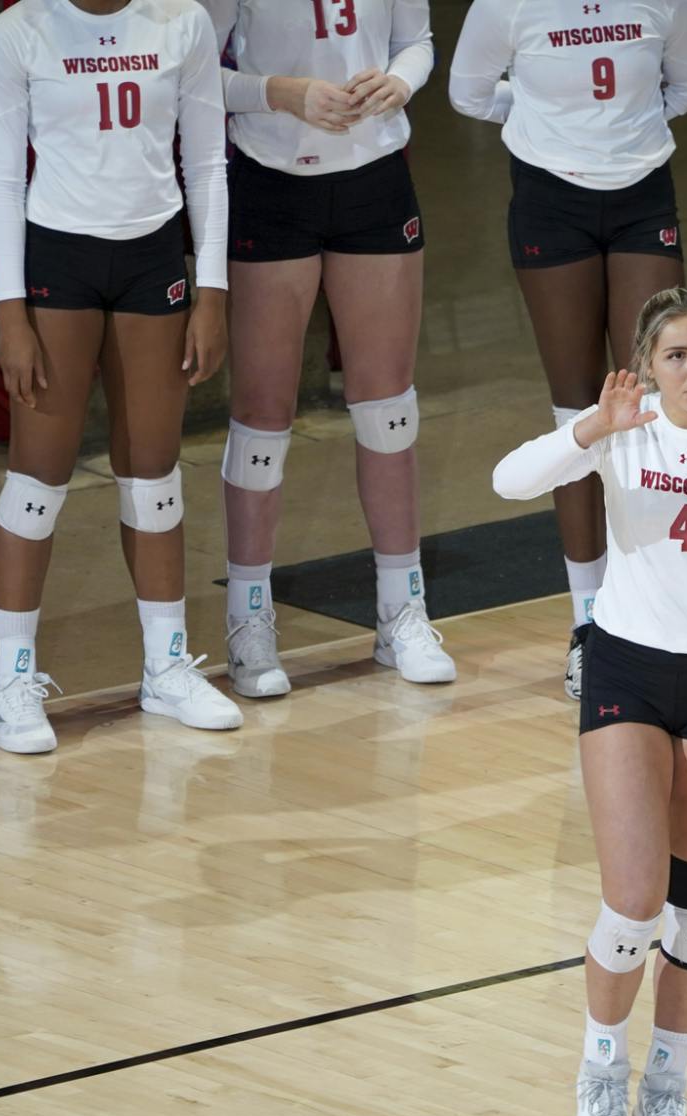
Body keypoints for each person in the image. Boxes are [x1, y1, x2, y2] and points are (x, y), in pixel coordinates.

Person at [491, 289, 687, 1116]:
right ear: (647, 364)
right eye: (676, 355)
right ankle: (599, 1071)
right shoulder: (624, 428)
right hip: (626, 668)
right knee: (633, 901)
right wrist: (592, 429)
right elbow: (509, 480)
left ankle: (667, 1084)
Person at [0, 0, 240, 754]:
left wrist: (211, 289)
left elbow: (207, 162)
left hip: (152, 256)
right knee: (38, 479)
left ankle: (165, 667)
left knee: (154, 472)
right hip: (58, 259)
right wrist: (12, 312)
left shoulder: (180, 21)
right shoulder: (17, 32)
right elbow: (0, 179)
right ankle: (11, 681)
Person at [449, 0, 687, 700]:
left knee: (657, 402)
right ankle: (589, 622)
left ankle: (661, 606)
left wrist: (616, 128)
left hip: (642, 195)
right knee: (578, 412)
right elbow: (467, 92)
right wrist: (541, 111)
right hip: (548, 199)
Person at [201, 0, 454, 698]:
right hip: (270, 180)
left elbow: (418, 43)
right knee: (261, 416)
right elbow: (193, 74)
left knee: (388, 410)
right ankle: (248, 618)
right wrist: (281, 93)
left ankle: (401, 611)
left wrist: (401, 82)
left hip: (374, 178)